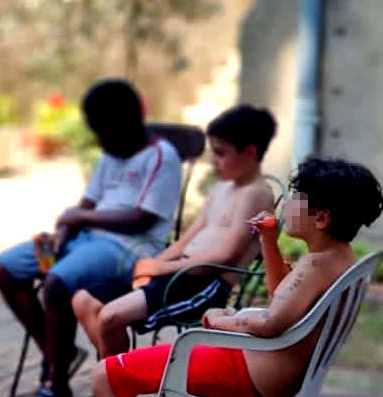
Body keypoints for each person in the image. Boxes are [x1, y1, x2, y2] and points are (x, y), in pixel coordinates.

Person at [88, 157, 383, 397]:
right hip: (267, 374)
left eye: (296, 198)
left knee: (105, 376)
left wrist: (219, 320)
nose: (286, 203)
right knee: (154, 379)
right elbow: (284, 299)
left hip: (250, 375)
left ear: (321, 217)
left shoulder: (315, 265)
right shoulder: (337, 258)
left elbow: (270, 324)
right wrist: (269, 242)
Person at [0, 79, 182, 397]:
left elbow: (141, 218)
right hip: (85, 240)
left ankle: (55, 385)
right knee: (6, 268)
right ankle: (59, 354)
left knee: (57, 282)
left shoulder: (162, 157)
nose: (99, 141)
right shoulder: (110, 156)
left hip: (128, 248)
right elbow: (88, 203)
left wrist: (79, 217)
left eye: (103, 132)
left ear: (125, 125)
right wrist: (64, 232)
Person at [73, 105, 278, 360]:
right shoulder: (221, 189)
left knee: (109, 315)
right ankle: (114, 380)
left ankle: (117, 385)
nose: (213, 160)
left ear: (249, 152)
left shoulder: (256, 194)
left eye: (220, 153)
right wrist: (151, 267)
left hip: (203, 286)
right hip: (176, 273)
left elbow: (223, 257)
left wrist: (158, 269)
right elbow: (187, 240)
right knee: (83, 300)